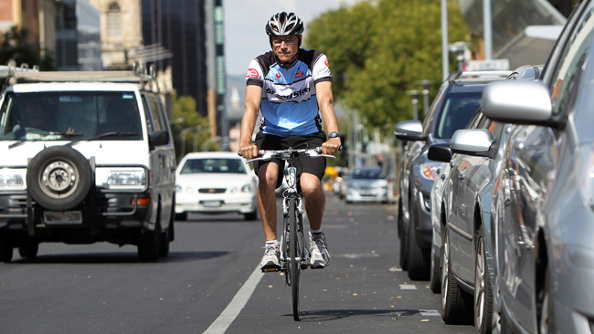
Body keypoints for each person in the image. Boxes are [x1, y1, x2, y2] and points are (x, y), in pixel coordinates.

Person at [239, 12, 341, 271]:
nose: (283, 46)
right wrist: (245, 141)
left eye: (289, 40)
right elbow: (251, 105)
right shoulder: (260, 64)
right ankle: (271, 246)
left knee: (309, 186)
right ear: (271, 41)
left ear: (299, 39)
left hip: (308, 135)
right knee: (268, 178)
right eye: (277, 40)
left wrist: (333, 135)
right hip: (272, 135)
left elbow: (325, 100)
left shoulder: (315, 61)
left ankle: (317, 238)